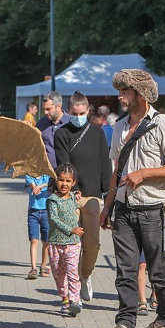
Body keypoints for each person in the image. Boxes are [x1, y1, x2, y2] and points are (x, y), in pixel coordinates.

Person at [100, 69, 165, 328]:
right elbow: (116, 171)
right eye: (120, 90)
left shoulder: (163, 124)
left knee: (157, 269)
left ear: (139, 93)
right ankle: (125, 325)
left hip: (154, 209)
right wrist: (106, 206)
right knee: (125, 270)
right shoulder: (119, 126)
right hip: (123, 209)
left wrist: (145, 173)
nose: (120, 95)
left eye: (124, 91)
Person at [54, 91, 112, 302]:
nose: (78, 116)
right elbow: (63, 163)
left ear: (88, 111)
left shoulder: (98, 133)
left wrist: (108, 196)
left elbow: (105, 165)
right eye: (74, 113)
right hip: (70, 195)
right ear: (68, 111)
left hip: (93, 197)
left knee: (92, 244)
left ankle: (84, 275)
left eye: (82, 113)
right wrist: (73, 186)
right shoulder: (61, 134)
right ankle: (72, 288)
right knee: (71, 245)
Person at [47, 163, 84, 316]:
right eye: (61, 180)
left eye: (68, 181)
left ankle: (75, 301)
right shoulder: (52, 200)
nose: (64, 184)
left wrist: (77, 196)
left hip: (73, 244)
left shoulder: (73, 199)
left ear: (73, 182)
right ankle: (65, 299)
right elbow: (54, 219)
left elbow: (75, 200)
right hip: (56, 243)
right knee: (59, 274)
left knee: (72, 272)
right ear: (56, 180)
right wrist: (71, 230)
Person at [36, 91, 70, 169]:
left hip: (66, 175)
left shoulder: (70, 122)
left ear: (58, 106)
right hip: (45, 175)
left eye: (48, 109)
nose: (45, 112)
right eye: (44, 109)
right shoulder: (41, 123)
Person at [25, 175, 51, 279]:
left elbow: (52, 183)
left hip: (46, 211)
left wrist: (41, 185)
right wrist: (35, 187)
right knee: (34, 240)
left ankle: (43, 265)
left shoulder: (47, 176)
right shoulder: (29, 176)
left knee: (46, 241)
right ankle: (33, 268)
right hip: (33, 211)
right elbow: (31, 185)